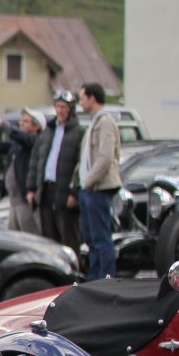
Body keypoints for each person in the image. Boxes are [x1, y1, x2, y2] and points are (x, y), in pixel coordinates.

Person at [27, 91, 85, 253]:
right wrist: (31, 188)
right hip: (46, 189)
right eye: (57, 106)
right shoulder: (48, 131)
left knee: (68, 237)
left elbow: (81, 165)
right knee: (48, 237)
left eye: (64, 107)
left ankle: (72, 268)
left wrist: (74, 193)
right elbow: (35, 159)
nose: (60, 110)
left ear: (71, 109)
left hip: (65, 191)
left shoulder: (79, 132)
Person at [76, 81, 122, 280]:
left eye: (82, 98)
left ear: (92, 98)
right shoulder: (94, 123)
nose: (80, 102)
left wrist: (88, 182)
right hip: (88, 189)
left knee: (101, 238)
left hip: (98, 188)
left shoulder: (105, 122)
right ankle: (94, 278)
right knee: (92, 239)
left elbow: (105, 158)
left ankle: (105, 278)